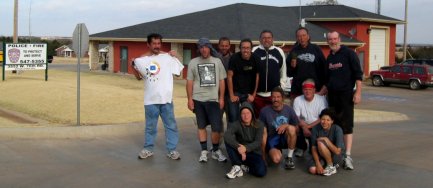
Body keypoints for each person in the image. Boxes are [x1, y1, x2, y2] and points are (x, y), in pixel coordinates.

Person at [131, 33, 184, 160]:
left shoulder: (167, 57)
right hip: (150, 100)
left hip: (166, 99)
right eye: (154, 43)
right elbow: (138, 77)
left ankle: (172, 150)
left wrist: (174, 57)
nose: (157, 46)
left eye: (159, 43)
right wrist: (133, 65)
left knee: (171, 125)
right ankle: (148, 149)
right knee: (150, 126)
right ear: (148, 44)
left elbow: (178, 74)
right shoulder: (141, 60)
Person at [325, 31, 363, 170]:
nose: (333, 41)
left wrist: (358, 92)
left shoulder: (349, 54)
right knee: (334, 125)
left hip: (346, 96)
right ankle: (335, 154)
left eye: (335, 39)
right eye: (330, 39)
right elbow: (327, 80)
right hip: (332, 97)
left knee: (347, 126)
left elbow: (358, 75)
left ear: (339, 39)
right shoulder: (329, 58)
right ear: (327, 41)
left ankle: (347, 156)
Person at [186, 37, 227, 163]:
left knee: (216, 127)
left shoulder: (217, 62)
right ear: (199, 49)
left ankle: (215, 151)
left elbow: (222, 81)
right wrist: (189, 99)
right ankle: (204, 151)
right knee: (201, 126)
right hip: (198, 99)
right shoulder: (193, 62)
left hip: (213, 99)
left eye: (206, 47)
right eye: (201, 47)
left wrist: (221, 98)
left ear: (210, 48)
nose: (204, 49)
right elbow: (189, 82)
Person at [224, 102, 266, 179]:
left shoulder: (259, 124)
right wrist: (238, 147)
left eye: (248, 113)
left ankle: (243, 167)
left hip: (254, 153)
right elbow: (227, 135)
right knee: (228, 140)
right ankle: (237, 166)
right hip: (240, 152)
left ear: (252, 114)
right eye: (243, 113)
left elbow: (258, 142)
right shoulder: (237, 124)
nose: (246, 116)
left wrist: (245, 148)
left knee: (261, 172)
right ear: (240, 115)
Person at [259, 86, 298, 169]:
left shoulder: (289, 110)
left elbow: (296, 128)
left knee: (291, 128)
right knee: (276, 159)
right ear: (271, 98)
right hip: (272, 139)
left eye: (278, 97)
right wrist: (263, 156)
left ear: (282, 98)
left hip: (284, 137)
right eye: (273, 97)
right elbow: (262, 133)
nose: (275, 99)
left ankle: (289, 158)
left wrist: (287, 125)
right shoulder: (264, 111)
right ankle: (269, 152)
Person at [253, 30, 288, 117]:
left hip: (273, 95)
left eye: (269, 38)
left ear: (272, 39)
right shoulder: (254, 51)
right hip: (258, 95)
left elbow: (283, 71)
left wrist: (281, 88)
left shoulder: (279, 51)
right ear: (260, 39)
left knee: (273, 118)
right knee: (259, 119)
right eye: (264, 38)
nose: (266, 40)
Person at [287, 27, 327, 101]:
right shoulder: (294, 50)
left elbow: (324, 68)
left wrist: (323, 89)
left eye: (304, 35)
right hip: (298, 90)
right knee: (297, 112)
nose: (301, 38)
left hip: (315, 90)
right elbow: (289, 73)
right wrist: (292, 66)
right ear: (296, 38)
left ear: (308, 36)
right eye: (299, 36)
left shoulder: (316, 49)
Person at [226, 38, 259, 123]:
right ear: (240, 48)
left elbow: (257, 76)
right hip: (235, 92)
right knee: (233, 116)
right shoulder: (234, 58)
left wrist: (253, 95)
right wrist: (231, 95)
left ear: (251, 49)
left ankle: (246, 135)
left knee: (248, 116)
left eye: (248, 48)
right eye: (243, 48)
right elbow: (229, 76)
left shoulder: (255, 58)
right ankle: (233, 135)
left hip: (249, 93)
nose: (245, 50)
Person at [293, 79, 328, 157]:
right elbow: (296, 117)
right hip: (302, 125)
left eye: (310, 89)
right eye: (305, 89)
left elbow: (322, 117)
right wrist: (305, 128)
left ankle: (314, 147)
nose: (307, 92)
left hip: (317, 125)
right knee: (294, 126)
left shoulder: (321, 99)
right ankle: (300, 147)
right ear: (302, 90)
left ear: (314, 90)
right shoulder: (297, 100)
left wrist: (308, 127)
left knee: (324, 124)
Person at [308, 108, 345, 176]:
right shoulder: (315, 128)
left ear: (332, 121)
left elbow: (337, 151)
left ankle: (330, 165)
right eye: (323, 119)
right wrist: (318, 164)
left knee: (320, 142)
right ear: (320, 120)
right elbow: (313, 148)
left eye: (328, 120)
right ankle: (326, 166)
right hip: (321, 154)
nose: (325, 122)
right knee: (313, 170)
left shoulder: (337, 129)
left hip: (335, 155)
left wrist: (326, 140)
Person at [217, 37, 233, 126]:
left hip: (230, 94)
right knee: (217, 120)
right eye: (222, 46)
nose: (224, 47)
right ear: (219, 46)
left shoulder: (234, 58)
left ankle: (229, 139)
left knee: (231, 120)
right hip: (217, 95)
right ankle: (218, 139)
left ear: (229, 46)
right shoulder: (215, 58)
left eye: (226, 46)